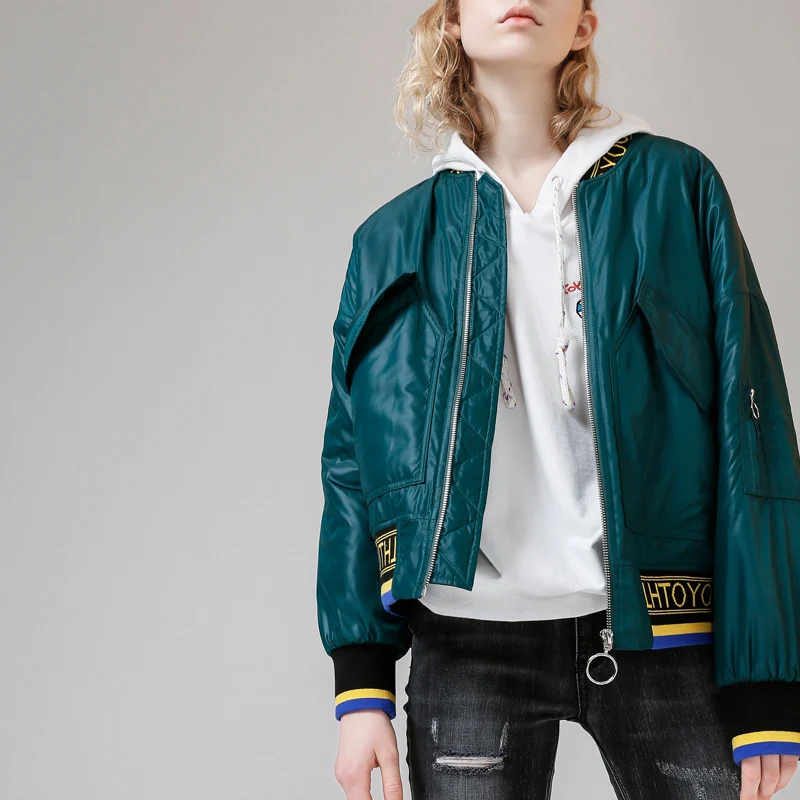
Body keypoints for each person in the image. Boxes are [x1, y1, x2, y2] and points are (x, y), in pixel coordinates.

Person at [315, 2, 800, 798]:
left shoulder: (674, 188)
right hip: (467, 639)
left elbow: (754, 425)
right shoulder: (392, 239)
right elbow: (351, 466)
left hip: (664, 629)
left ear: (583, 26)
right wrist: (360, 684)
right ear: (451, 22)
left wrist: (766, 684)